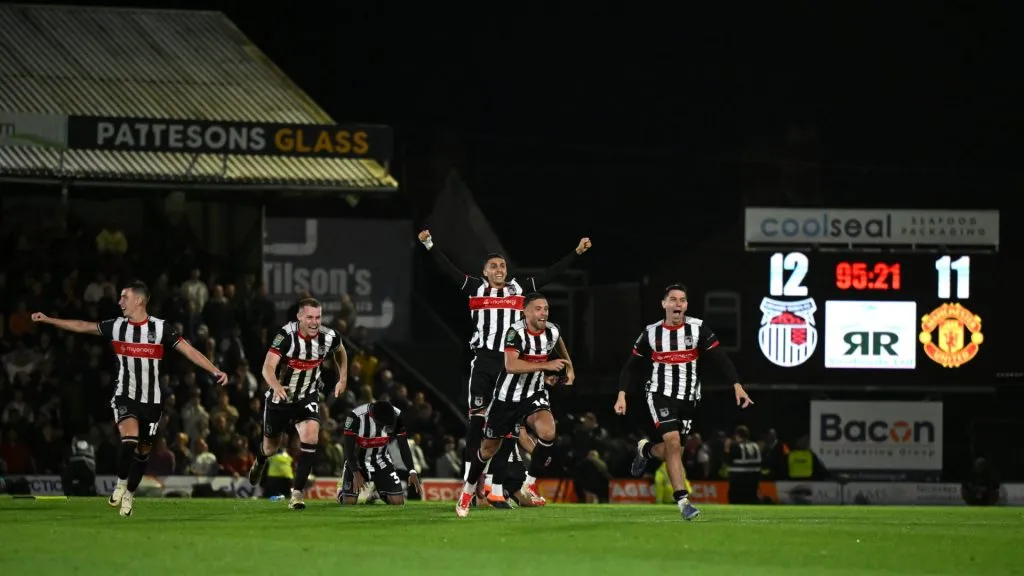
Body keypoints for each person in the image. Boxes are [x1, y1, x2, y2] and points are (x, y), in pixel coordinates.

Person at [417, 229, 591, 506]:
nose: (499, 270)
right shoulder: (476, 288)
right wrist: (429, 244)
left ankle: (499, 487)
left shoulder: (518, 289)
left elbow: (550, 274)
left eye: (502, 266)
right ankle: (473, 482)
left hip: (512, 364)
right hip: (484, 362)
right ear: (484, 272)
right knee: (477, 422)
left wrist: (576, 253)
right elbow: (449, 271)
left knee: (508, 426)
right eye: (493, 266)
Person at [32, 280, 227, 517]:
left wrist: (214, 369)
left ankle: (129, 494)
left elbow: (189, 350)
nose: (119, 301)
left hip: (152, 401)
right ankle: (121, 483)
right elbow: (83, 326)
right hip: (125, 395)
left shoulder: (160, 328)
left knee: (143, 452)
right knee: (130, 441)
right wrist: (50, 320)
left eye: (124, 297)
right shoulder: (117, 326)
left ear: (139, 300)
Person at [613, 283, 753, 521]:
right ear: (664, 304)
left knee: (673, 451)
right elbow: (630, 366)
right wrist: (621, 394)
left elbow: (721, 357)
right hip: (660, 394)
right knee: (673, 441)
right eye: (673, 299)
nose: (678, 304)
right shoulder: (651, 332)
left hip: (689, 399)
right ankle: (683, 502)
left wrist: (737, 385)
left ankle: (645, 450)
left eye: (682, 300)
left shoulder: (698, 328)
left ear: (686, 305)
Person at [455, 292, 571, 517]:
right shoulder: (515, 332)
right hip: (507, 398)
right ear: (525, 312)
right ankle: (468, 491)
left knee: (548, 431)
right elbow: (511, 366)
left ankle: (529, 484)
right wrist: (546, 366)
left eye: (546, 308)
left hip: (534, 393)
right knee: (488, 449)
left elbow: (559, 343)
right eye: (538, 309)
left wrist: (569, 367)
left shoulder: (552, 330)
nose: (544, 313)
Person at [247, 298, 347, 510]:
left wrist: (343, 378)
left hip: (307, 396)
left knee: (311, 437)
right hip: (281, 397)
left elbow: (341, 351)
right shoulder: (286, 336)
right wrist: (276, 386)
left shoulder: (328, 336)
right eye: (309, 317)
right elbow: (267, 367)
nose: (314, 322)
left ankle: (297, 494)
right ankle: (261, 460)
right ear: (299, 317)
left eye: (318, 317)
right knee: (270, 448)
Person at [336, 400, 422, 505]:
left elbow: (403, 445)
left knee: (398, 502)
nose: (385, 429)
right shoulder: (355, 416)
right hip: (357, 463)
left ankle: (377, 494)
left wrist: (412, 471)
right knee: (349, 502)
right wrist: (355, 472)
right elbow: (348, 449)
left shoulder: (397, 415)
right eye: (383, 425)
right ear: (373, 417)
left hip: (381, 462)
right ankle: (341, 492)